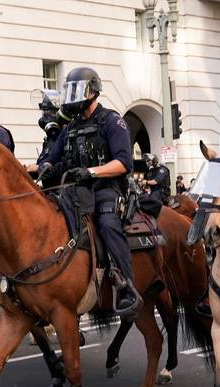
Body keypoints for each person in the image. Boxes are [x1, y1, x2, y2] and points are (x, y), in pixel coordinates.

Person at [37, 66, 142, 320]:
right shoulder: (69, 127)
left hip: (106, 189)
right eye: (70, 91)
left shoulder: (112, 121)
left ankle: (126, 286)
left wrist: (91, 172)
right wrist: (45, 169)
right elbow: (52, 159)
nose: (73, 97)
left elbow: (124, 162)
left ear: (93, 92)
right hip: (74, 191)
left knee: (107, 224)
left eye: (78, 91)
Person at [31, 88, 70, 163]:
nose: (45, 118)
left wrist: (38, 167)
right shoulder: (49, 140)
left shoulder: (66, 138)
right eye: (44, 113)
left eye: (49, 112)